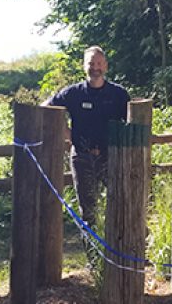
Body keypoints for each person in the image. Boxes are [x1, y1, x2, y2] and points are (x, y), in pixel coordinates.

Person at [43, 46, 130, 226]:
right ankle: (93, 253)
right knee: (88, 211)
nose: (95, 67)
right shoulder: (73, 93)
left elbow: (132, 120)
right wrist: (67, 133)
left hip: (111, 157)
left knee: (121, 202)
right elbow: (46, 108)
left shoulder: (118, 94)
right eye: (91, 63)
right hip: (82, 157)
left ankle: (120, 249)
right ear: (84, 66)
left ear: (105, 66)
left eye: (99, 63)